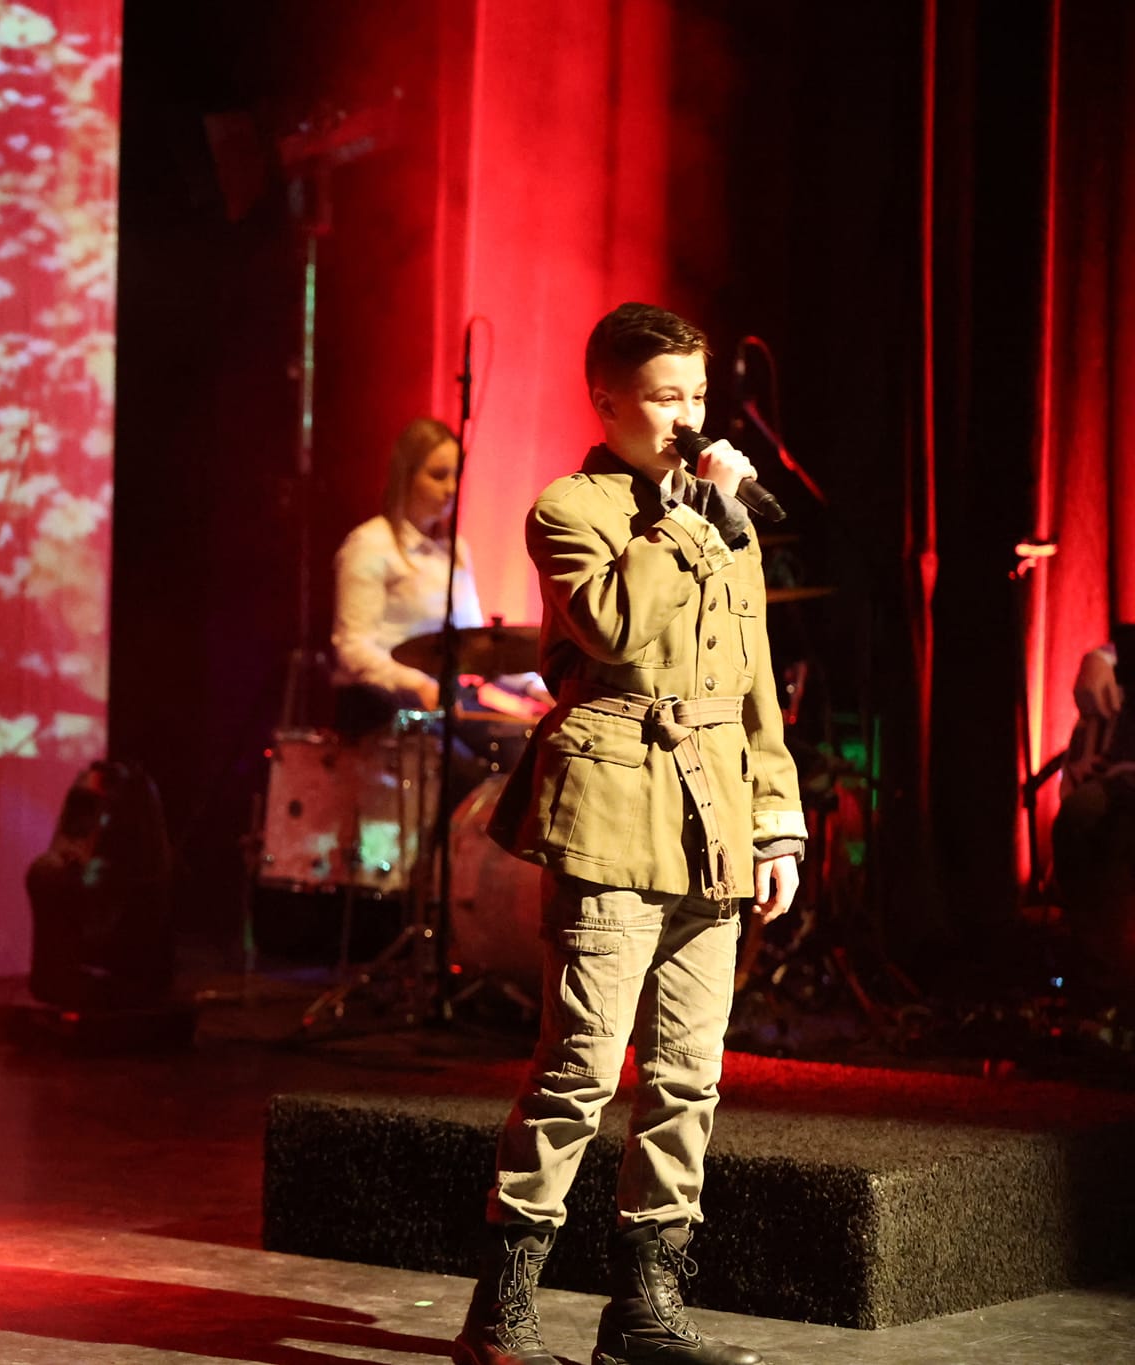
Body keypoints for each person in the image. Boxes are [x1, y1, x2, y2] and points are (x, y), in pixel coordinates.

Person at [454, 304, 805, 1365]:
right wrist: (693, 521)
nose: (687, 418)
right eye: (663, 398)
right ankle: (501, 1311)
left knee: (688, 1074)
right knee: (578, 1064)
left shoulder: (726, 520)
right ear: (605, 402)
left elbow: (753, 687)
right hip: (611, 810)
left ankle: (643, 1310)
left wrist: (775, 823)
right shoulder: (570, 509)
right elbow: (610, 624)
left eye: (696, 395)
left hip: (713, 819)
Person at [331, 417, 548, 737]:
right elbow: (353, 649)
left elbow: (478, 650)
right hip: (388, 715)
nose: (451, 489)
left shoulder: (456, 549)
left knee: (526, 745)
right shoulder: (370, 545)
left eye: (456, 475)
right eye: (438, 475)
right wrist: (418, 683)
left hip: (447, 707)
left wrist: (534, 686)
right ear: (407, 477)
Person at [1053, 633, 1133, 987]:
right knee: (1080, 817)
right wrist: (1100, 660)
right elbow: (1114, 654)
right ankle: (1102, 965)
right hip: (1121, 779)